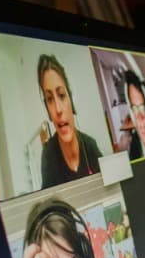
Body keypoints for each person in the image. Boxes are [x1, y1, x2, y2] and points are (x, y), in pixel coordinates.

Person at [38, 54, 103, 187]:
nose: (58, 109)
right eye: (50, 99)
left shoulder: (90, 146)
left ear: (71, 101)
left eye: (61, 95)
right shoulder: (48, 155)